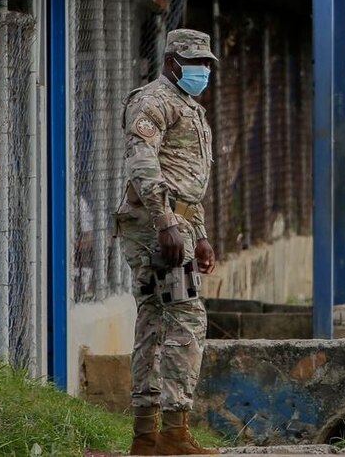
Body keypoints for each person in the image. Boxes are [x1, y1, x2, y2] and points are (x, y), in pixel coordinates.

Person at [116, 29, 219, 455]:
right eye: (193, 62)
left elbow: (187, 179)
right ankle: (174, 433)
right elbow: (142, 162)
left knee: (156, 321)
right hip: (159, 226)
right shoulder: (153, 101)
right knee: (187, 319)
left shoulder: (187, 105)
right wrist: (165, 221)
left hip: (179, 224)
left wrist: (203, 235)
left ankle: (147, 436)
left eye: (206, 64)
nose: (201, 70)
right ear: (171, 61)